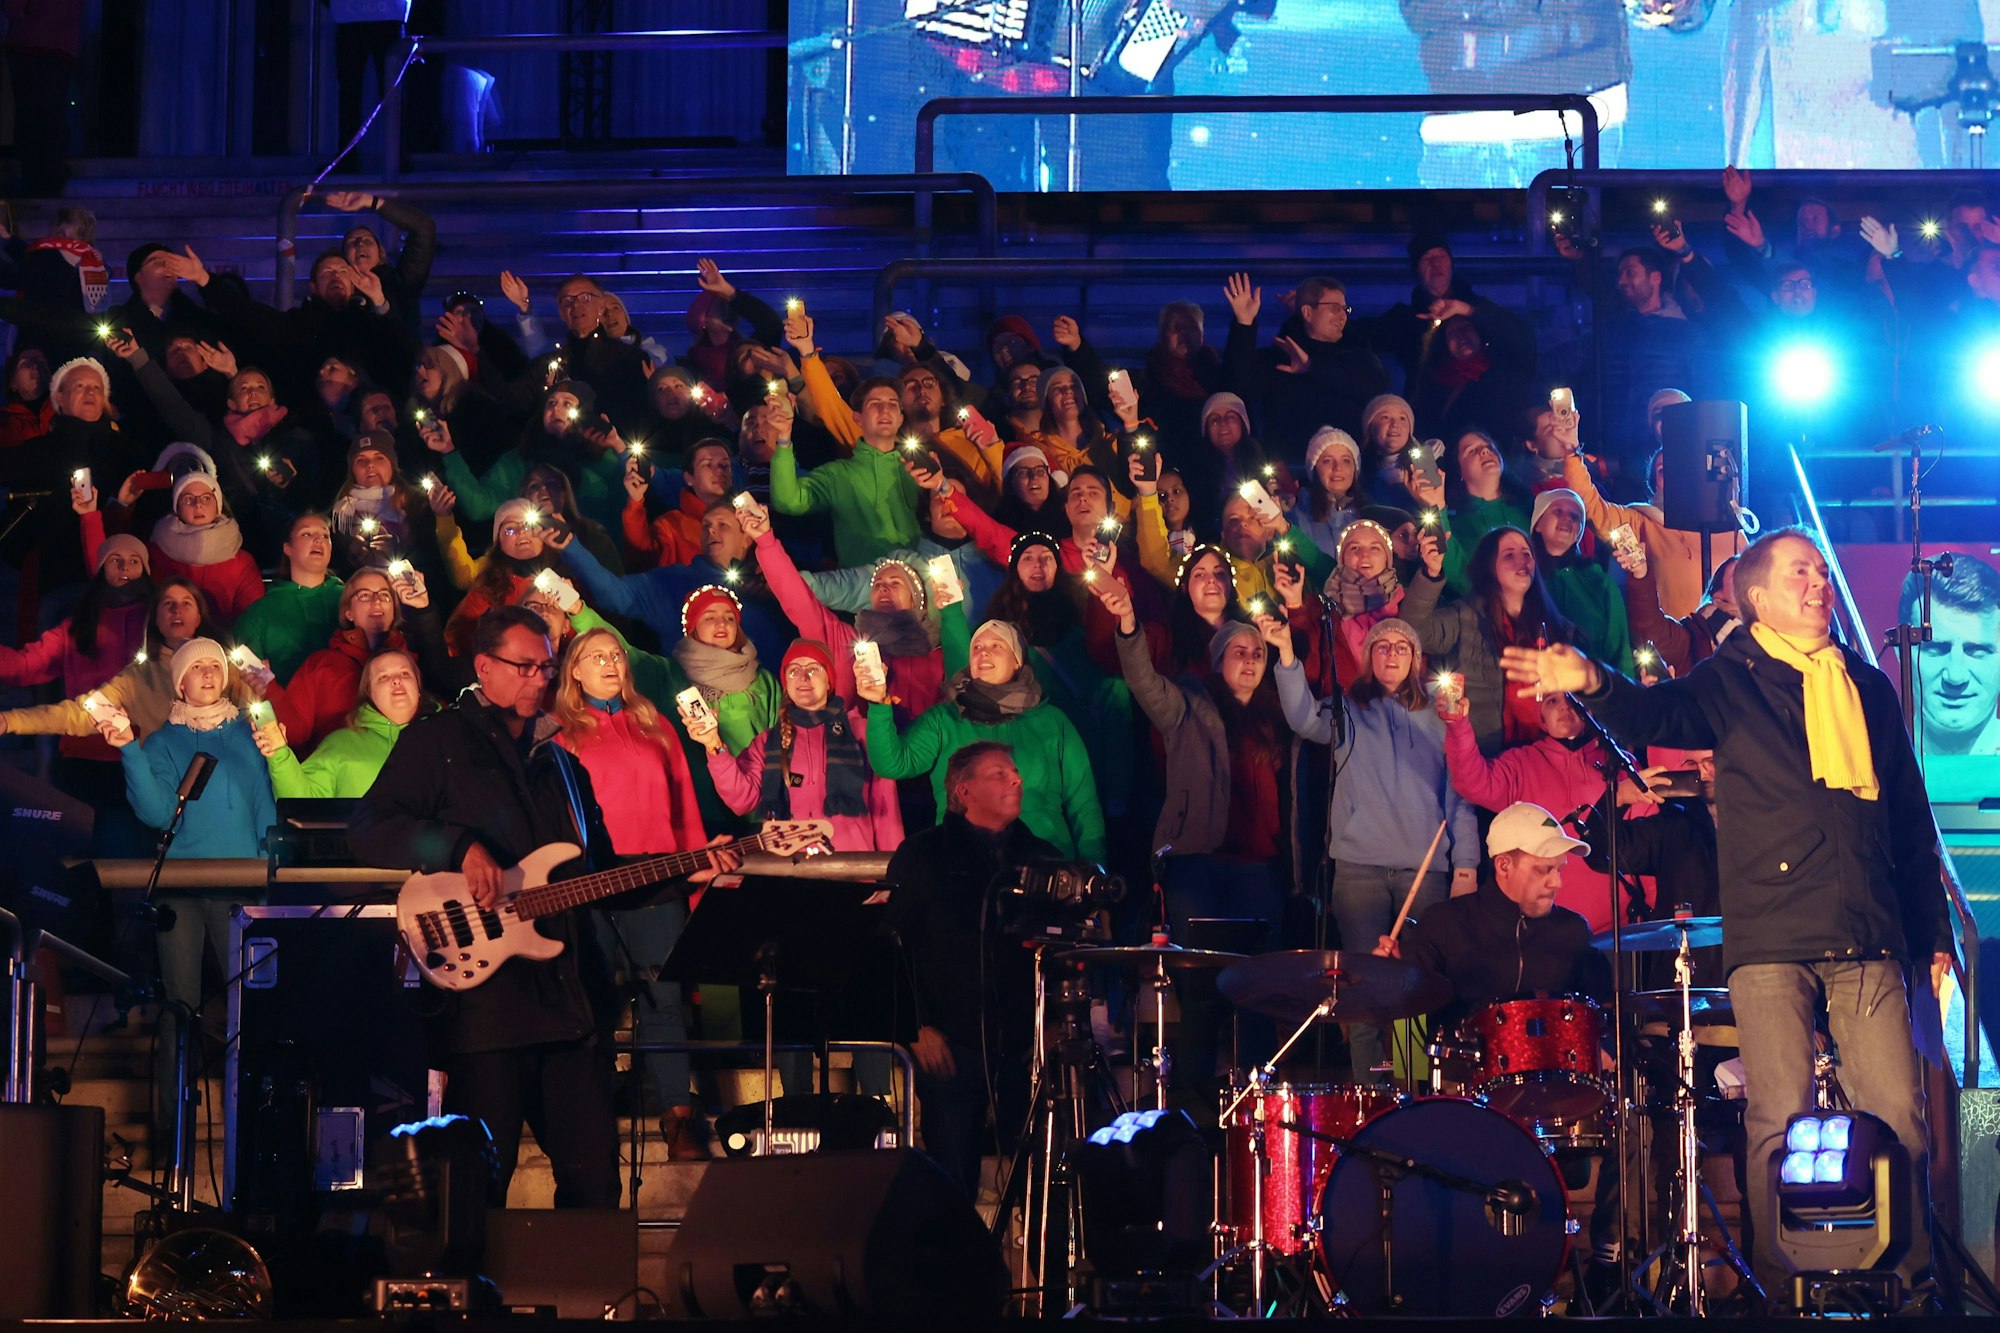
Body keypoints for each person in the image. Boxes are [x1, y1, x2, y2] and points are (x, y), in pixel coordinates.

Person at [1502, 527, 1946, 1300]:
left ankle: (1905, 1285)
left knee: (1898, 1120)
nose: (1818, 582)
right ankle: (1783, 1287)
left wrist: (1931, 931)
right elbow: (1651, 715)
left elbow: (1907, 817)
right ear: (1761, 596)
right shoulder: (1731, 678)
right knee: (1778, 1120)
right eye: (1801, 571)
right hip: (1773, 936)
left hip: (1867, 929)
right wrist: (1591, 678)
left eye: (1820, 570)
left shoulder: (1867, 685)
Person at [349, 606, 731, 1206]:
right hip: (485, 1017)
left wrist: (688, 870)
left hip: (571, 1011)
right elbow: (368, 828)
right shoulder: (439, 741)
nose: (537, 679)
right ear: (483, 666)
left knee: (595, 1188)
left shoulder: (563, 765)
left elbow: (599, 876)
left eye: (545, 668)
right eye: (523, 666)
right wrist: (457, 846)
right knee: (474, 1194)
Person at [1274, 616, 1478, 1082]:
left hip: (1425, 871)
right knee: (1361, 988)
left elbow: (1460, 791)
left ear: (1415, 658)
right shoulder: (1348, 709)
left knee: (1415, 984)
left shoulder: (1441, 714)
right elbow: (1303, 718)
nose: (1390, 653)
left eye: (1401, 646)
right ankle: (1370, 1095)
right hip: (1359, 868)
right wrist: (1286, 654)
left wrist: (1465, 864)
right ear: (1368, 657)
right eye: (1380, 645)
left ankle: (1410, 1089)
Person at [103, 637, 274, 1144]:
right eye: (195, 666)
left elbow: (266, 801)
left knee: (253, 1004)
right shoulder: (162, 742)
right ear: (179, 680)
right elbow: (156, 813)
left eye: (214, 666)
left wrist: (268, 870)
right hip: (180, 883)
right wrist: (128, 748)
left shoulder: (249, 731)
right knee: (180, 1005)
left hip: (240, 886)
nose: (207, 673)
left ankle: (260, 1122)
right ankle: (170, 1128)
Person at [553, 627, 714, 1161]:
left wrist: (694, 871)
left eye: (616, 654)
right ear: (573, 670)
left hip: (656, 876)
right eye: (594, 656)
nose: (609, 662)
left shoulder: (655, 724)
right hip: (589, 882)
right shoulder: (558, 733)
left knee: (662, 998)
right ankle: (590, 1113)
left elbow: (683, 803)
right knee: (593, 999)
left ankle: (678, 1120)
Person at [885, 742, 1059, 1197]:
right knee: (951, 1184)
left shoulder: (1043, 857)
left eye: (1015, 772)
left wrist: (1056, 1025)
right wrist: (916, 1025)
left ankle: (1035, 1266)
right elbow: (890, 946)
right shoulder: (923, 855)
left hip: (1027, 1049)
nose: (1016, 780)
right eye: (999, 774)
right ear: (964, 791)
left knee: (1038, 1185)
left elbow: (1065, 951)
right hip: (949, 1046)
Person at [860, 610, 1106, 864]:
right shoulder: (945, 718)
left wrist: (1093, 871)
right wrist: (878, 704)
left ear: (1017, 661)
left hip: (1045, 862)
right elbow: (892, 763)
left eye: (996, 645)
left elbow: (1083, 803)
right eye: (976, 646)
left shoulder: (1051, 721)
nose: (983, 652)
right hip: (964, 865)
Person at [1402, 524, 1573, 755]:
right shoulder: (1465, 615)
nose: (1521, 562)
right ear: (1489, 567)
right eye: (1509, 555)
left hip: (1542, 761)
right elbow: (1414, 632)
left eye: (1526, 554)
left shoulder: (1559, 629)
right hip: (1483, 760)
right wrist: (1431, 573)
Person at [253, 648, 425, 798]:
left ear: (418, 688)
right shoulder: (341, 745)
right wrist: (280, 756)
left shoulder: (444, 737)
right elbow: (301, 801)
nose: (396, 680)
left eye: (405, 673)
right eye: (383, 677)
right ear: (369, 693)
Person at [1903, 553, 2000, 756]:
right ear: (1901, 654)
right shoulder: (1870, 761)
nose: (1955, 677)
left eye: (1976, 652)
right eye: (1937, 650)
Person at [232, 513, 345, 681]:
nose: (318, 540)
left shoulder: (351, 601)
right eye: (306, 534)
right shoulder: (260, 614)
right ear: (287, 548)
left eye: (325, 535)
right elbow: (247, 671)